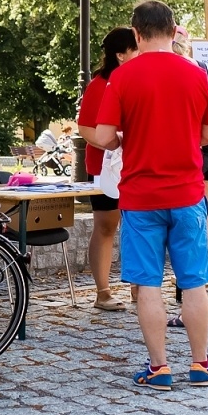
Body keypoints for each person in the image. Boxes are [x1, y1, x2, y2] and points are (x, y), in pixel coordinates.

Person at [88, 0, 208, 391]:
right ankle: (200, 364)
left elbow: (102, 134)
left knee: (148, 283)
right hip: (187, 193)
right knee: (194, 282)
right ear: (172, 29)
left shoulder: (123, 77)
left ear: (136, 33)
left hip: (141, 196)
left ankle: (159, 367)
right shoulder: (195, 73)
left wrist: (121, 140)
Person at [169, 28, 208, 326]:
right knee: (203, 227)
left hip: (192, 151)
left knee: (186, 230)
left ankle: (194, 308)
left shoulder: (174, 71)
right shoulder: (201, 68)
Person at [76, 27, 136, 312]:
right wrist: (114, 144)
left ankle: (139, 287)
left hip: (136, 165)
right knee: (106, 226)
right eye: (135, 49)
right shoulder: (99, 84)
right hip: (104, 167)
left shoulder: (138, 79)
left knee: (137, 226)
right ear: (121, 55)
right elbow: (86, 127)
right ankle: (103, 292)